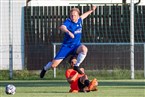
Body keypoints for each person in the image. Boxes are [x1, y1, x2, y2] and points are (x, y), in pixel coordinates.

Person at [40, 6, 97, 78]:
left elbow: (84, 15)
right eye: (71, 15)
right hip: (66, 47)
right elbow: (62, 27)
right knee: (53, 65)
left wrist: (91, 10)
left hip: (76, 46)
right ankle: (45, 69)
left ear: (78, 16)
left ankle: (76, 66)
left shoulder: (79, 20)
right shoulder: (68, 22)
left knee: (84, 49)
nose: (73, 17)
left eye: (74, 15)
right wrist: (68, 32)